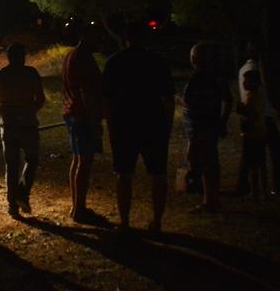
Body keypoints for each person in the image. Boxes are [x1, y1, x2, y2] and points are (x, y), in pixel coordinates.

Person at [102, 22, 175, 233]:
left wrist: (110, 125)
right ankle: (157, 222)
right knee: (158, 175)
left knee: (124, 175)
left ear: (126, 39)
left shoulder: (115, 62)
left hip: (124, 125)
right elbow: (168, 98)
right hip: (154, 123)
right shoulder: (157, 62)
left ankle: (125, 222)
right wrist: (167, 126)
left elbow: (106, 99)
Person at [0, 42, 45, 217]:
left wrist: (6, 113)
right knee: (32, 159)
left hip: (8, 125)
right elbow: (41, 99)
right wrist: (28, 111)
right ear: (22, 56)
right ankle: (22, 193)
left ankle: (12, 206)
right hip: (28, 124)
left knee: (11, 166)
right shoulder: (31, 73)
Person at [62, 25, 105, 222]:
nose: (100, 41)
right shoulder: (84, 59)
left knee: (77, 160)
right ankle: (79, 209)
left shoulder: (71, 55)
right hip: (83, 116)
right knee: (85, 163)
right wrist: (95, 121)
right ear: (87, 37)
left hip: (72, 113)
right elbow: (87, 93)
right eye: (97, 37)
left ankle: (76, 206)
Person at [182, 42, 232, 212]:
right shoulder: (218, 77)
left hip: (199, 126)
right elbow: (228, 100)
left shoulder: (197, 77)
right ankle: (210, 196)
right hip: (210, 124)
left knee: (203, 161)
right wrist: (222, 121)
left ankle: (209, 200)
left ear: (194, 59)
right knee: (209, 161)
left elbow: (188, 101)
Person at [236, 43, 280, 195]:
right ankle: (271, 187)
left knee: (251, 158)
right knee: (269, 156)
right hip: (266, 118)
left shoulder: (245, 70)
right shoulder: (263, 71)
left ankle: (248, 187)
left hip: (257, 122)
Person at [237, 70, 268, 200]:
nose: (243, 83)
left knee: (253, 165)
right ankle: (264, 191)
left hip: (252, 135)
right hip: (261, 133)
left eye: (246, 81)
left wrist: (242, 110)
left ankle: (255, 192)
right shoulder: (259, 95)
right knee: (261, 164)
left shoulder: (252, 97)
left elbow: (251, 115)